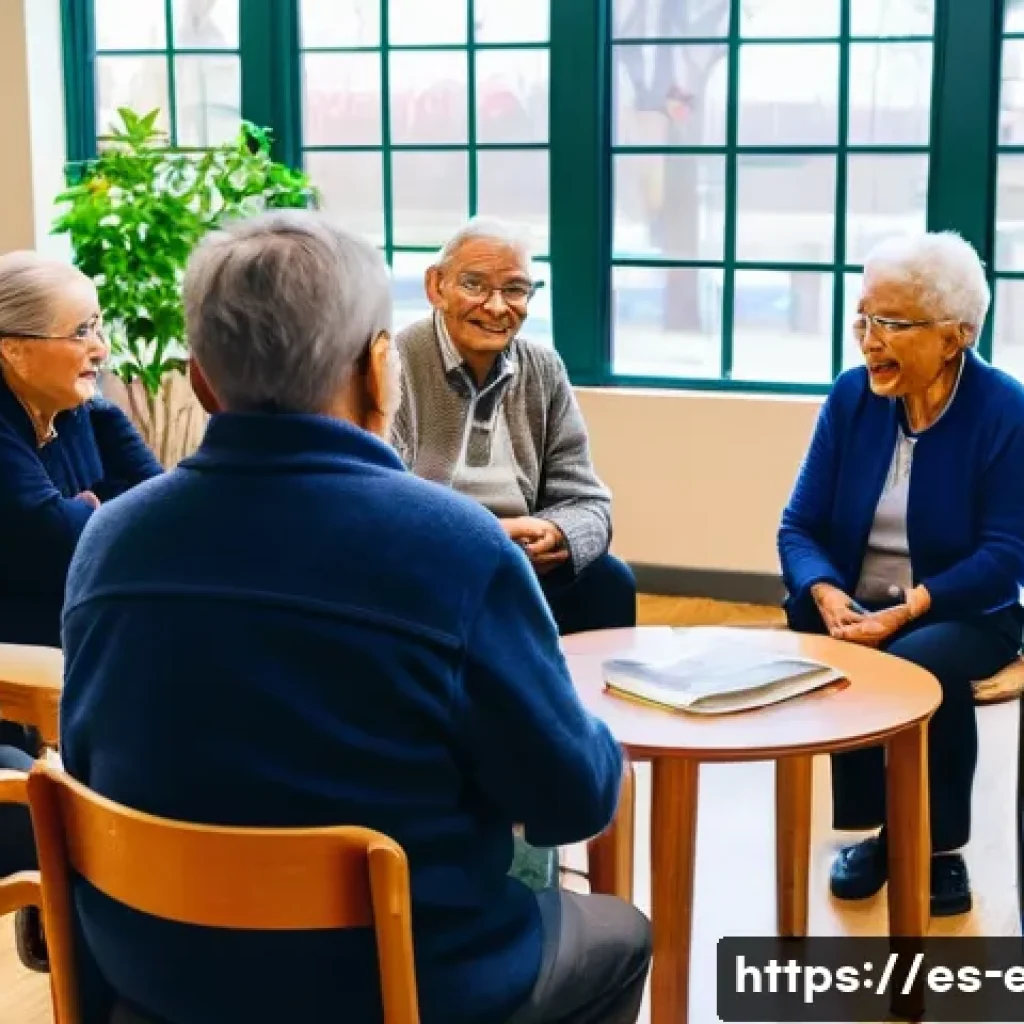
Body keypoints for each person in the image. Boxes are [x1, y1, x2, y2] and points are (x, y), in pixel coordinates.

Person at [60, 211, 651, 1024]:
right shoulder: (460, 552)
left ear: (200, 379)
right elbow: (573, 802)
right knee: (617, 933)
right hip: (393, 978)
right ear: (380, 368)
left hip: (155, 967)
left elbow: (92, 759)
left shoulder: (108, 542)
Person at [778, 230, 1024, 917]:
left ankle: (937, 845)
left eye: (891, 323)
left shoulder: (1004, 409)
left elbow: (1007, 555)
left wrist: (911, 606)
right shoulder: (853, 397)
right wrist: (825, 590)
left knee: (919, 662)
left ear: (954, 337)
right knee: (809, 617)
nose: (868, 340)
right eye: (863, 317)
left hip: (964, 608)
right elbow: (798, 525)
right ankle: (881, 828)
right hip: (858, 600)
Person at [0, 249, 162, 971]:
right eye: (82, 331)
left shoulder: (84, 407)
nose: (100, 347)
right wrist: (96, 509)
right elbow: (55, 542)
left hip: (82, 638)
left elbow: (156, 500)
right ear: (14, 348)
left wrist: (88, 508)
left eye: (98, 325)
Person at [392, 218, 636, 636]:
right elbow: (386, 509)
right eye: (474, 285)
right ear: (436, 287)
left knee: (609, 581)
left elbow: (588, 500)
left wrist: (559, 534)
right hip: (433, 562)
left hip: (522, 562)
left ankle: (576, 702)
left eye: (515, 290)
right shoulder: (394, 363)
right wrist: (493, 536)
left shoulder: (543, 368)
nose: (497, 307)